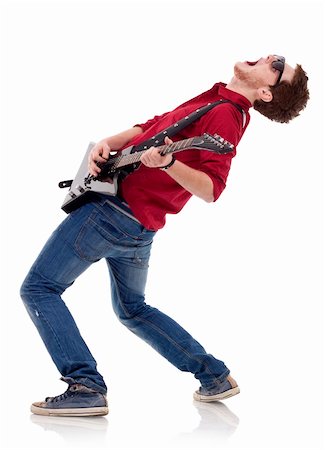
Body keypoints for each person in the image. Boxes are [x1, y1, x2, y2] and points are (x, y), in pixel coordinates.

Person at [20, 55, 309, 417]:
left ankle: (85, 385)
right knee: (132, 310)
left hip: (112, 214)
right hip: (139, 226)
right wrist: (109, 141)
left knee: (39, 289)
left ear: (266, 92)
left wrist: (170, 164)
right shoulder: (218, 98)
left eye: (277, 65)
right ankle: (214, 376)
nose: (270, 57)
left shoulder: (226, 116)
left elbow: (211, 188)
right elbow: (154, 126)